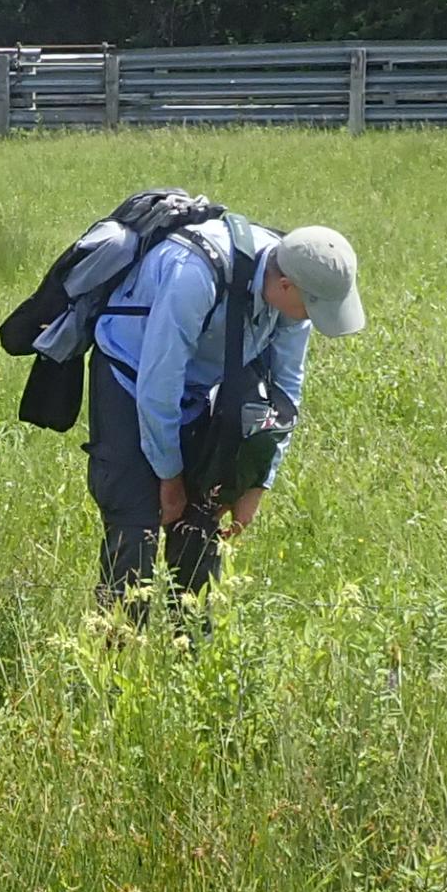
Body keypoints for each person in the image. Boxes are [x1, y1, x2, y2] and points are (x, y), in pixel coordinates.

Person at [87, 217, 362, 608]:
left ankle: (191, 653)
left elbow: (285, 395)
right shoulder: (194, 275)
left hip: (204, 386)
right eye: (311, 309)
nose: (311, 319)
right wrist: (170, 478)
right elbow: (158, 387)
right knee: (135, 523)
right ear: (285, 286)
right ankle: (119, 648)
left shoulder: (297, 292)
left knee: (203, 522)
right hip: (131, 377)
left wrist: (257, 483)